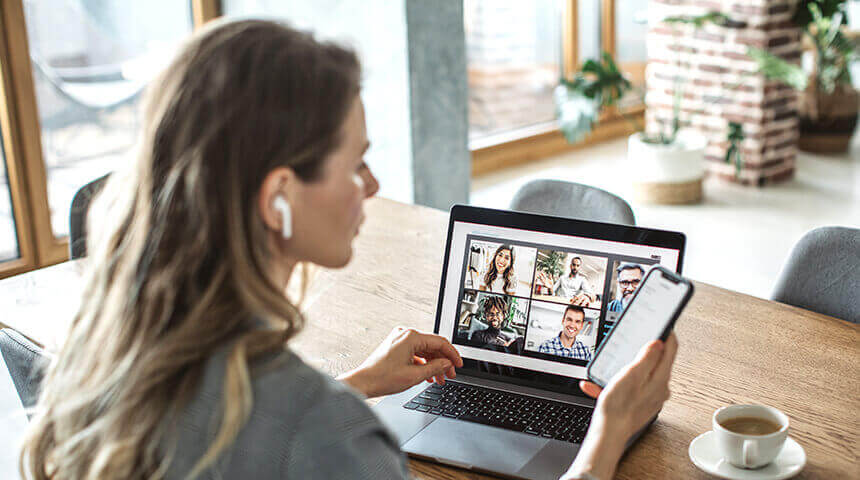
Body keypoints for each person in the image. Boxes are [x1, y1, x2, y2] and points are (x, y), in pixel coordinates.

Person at [19, 20, 679, 480]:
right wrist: (605, 437)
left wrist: (357, 385)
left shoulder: (106, 350)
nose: (374, 186)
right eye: (356, 164)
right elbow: (290, 440)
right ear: (279, 194)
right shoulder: (336, 440)